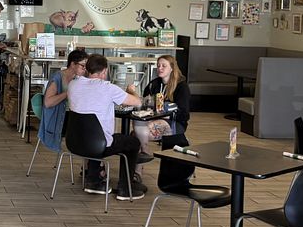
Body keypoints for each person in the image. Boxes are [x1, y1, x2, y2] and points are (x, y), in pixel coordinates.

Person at [67, 54, 144, 199]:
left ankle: (93, 181)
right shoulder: (108, 88)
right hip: (99, 144)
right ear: (104, 71)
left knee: (95, 134)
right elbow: (137, 102)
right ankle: (126, 189)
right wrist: (131, 90)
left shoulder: (73, 84)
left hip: (75, 142)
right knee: (133, 143)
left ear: (87, 68)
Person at [132, 55, 191, 159]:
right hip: (153, 120)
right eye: (158, 65)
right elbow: (143, 104)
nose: (160, 68)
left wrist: (165, 112)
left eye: (164, 66)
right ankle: (140, 164)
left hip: (175, 123)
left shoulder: (181, 86)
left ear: (172, 68)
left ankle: (144, 154)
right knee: (135, 135)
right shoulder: (153, 84)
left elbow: (184, 113)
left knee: (138, 134)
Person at [38, 49, 88, 153]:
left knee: (92, 129)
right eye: (83, 66)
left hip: (72, 115)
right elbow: (48, 103)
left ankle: (89, 159)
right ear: (73, 64)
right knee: (89, 133)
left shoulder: (79, 79)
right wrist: (68, 93)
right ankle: (91, 159)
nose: (85, 69)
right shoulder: (58, 77)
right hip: (60, 117)